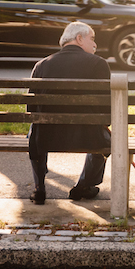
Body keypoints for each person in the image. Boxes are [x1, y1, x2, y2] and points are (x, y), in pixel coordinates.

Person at [28, 21, 110, 205]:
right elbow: (107, 111)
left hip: (46, 136)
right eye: (92, 39)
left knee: (34, 128)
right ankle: (83, 185)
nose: (95, 44)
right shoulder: (99, 64)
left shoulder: (41, 65)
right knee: (106, 138)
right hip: (88, 136)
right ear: (79, 39)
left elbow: (31, 110)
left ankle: (39, 188)